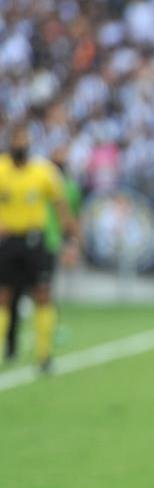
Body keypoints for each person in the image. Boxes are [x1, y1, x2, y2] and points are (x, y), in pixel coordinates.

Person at [0, 126, 78, 371]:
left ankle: (44, 355)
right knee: (3, 296)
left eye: (23, 140)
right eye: (16, 139)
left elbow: (60, 204)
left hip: (35, 241)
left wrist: (69, 239)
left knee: (42, 294)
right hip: (7, 241)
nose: (20, 144)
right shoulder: (1, 169)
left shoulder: (43, 172)